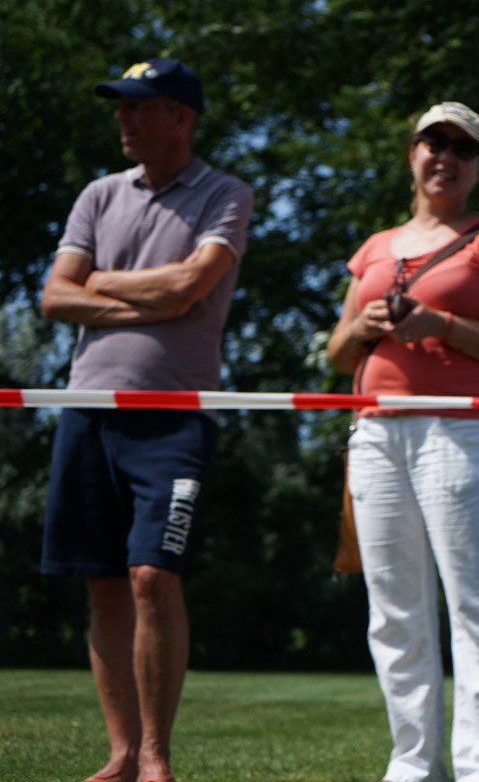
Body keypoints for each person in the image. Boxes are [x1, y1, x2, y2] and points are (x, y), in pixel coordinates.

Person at [40, 57, 254, 782]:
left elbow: (192, 285)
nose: (122, 118)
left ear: (181, 117)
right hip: (86, 407)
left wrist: (99, 283)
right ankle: (122, 756)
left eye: (139, 105)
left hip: (174, 413)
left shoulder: (225, 193)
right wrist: (148, 299)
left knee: (151, 576)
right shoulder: (98, 195)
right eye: (121, 105)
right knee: (102, 582)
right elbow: (54, 297)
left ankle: (158, 758)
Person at [326, 101, 479, 782]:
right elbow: (335, 353)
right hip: (373, 435)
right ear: (412, 154)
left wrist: (438, 324)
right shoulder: (373, 248)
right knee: (392, 611)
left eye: (462, 148)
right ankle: (413, 764)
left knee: (476, 602)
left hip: (459, 431)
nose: (445, 156)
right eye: (433, 143)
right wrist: (362, 329)